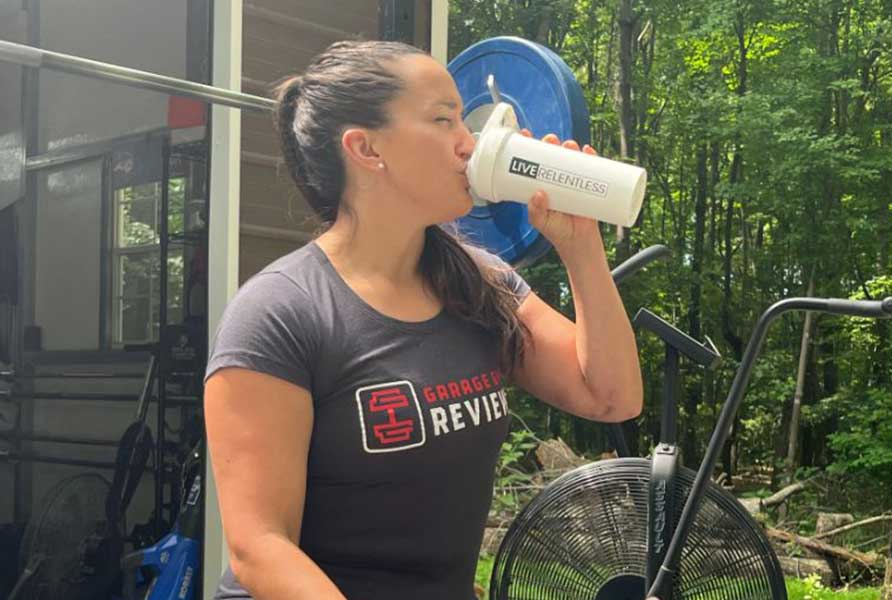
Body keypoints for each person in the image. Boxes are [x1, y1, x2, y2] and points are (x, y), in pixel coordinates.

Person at [203, 39, 643, 600]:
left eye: (465, 119)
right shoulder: (280, 312)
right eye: (443, 120)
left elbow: (611, 396)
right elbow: (260, 547)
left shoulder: (480, 282)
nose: (470, 142)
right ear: (366, 148)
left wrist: (582, 246)